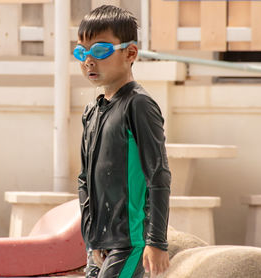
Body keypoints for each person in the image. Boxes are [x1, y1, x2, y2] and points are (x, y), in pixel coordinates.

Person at [75, 5, 171, 278]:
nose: (88, 61)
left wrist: (156, 242)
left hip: (131, 241)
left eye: (101, 51)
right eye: (82, 52)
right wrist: (92, 238)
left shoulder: (138, 105)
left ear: (130, 53)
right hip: (101, 243)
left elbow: (158, 175)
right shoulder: (93, 111)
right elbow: (85, 180)